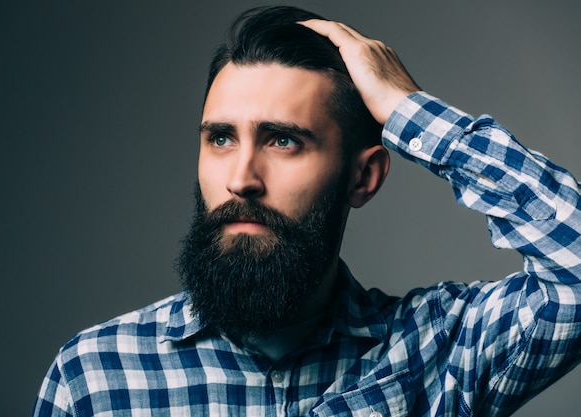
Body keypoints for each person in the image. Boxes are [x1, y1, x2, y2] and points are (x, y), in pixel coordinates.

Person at [32, 6, 581, 417]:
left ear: (363, 177)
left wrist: (405, 109)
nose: (241, 179)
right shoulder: (96, 377)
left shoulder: (438, 351)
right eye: (221, 138)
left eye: (283, 141)